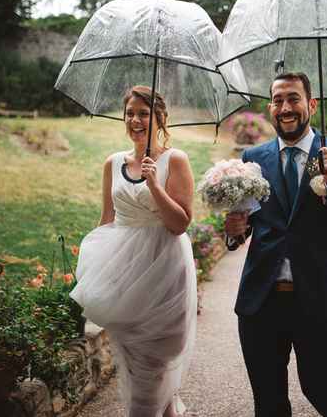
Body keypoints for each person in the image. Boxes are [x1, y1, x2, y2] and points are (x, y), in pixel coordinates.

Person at [225, 72, 327, 417]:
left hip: (320, 299)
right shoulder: (253, 159)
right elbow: (247, 224)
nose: (285, 107)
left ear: (311, 104)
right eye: (278, 100)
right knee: (268, 402)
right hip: (261, 300)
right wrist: (235, 230)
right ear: (270, 108)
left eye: (293, 98)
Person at [70, 86, 197, 417]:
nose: (136, 120)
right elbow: (106, 221)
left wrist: (155, 185)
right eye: (130, 113)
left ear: (160, 119)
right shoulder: (112, 163)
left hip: (165, 274)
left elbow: (179, 224)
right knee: (136, 367)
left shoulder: (175, 160)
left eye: (144, 113)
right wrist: (93, 271)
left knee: (152, 370)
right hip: (125, 278)